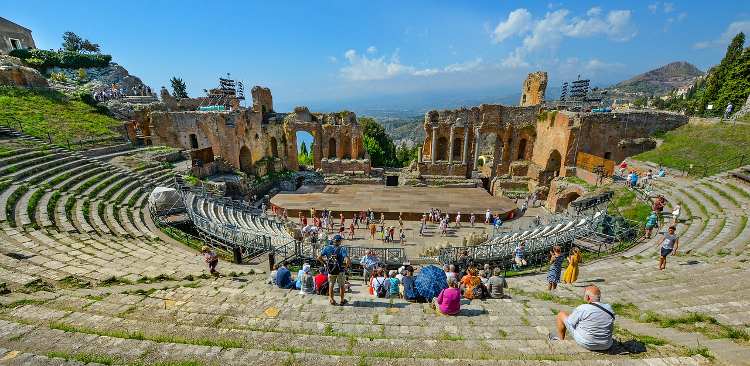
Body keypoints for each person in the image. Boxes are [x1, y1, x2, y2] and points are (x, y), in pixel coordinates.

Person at [552, 285, 614, 351]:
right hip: (607, 344)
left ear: (588, 297)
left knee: (561, 315)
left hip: (587, 343)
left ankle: (561, 340)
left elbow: (571, 323)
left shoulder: (583, 308)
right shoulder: (609, 308)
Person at [317, 235, 351, 305]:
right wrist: (345, 267)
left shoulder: (327, 248)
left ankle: (331, 299)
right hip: (340, 270)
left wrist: (325, 264)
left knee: (331, 285)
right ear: (339, 241)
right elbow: (348, 260)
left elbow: (319, 257)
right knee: (341, 285)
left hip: (331, 270)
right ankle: (342, 300)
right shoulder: (342, 249)